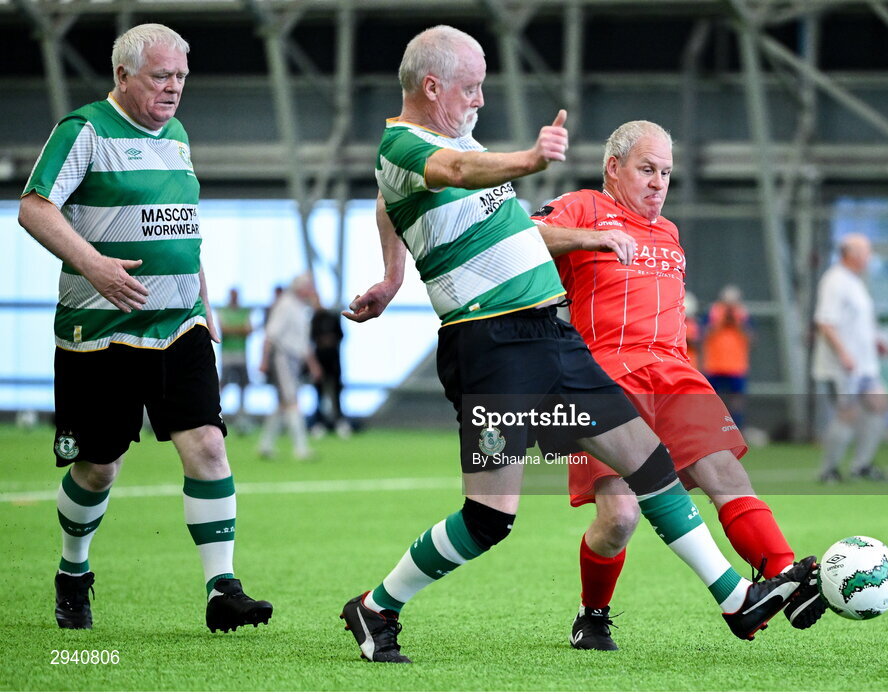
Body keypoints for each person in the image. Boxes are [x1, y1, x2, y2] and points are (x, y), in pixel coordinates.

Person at [339, 26, 815, 664]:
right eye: (472, 87)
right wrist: (529, 161)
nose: (480, 99)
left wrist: (395, 274)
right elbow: (445, 171)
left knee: (648, 464)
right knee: (489, 519)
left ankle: (736, 598)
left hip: (552, 335)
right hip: (489, 342)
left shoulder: (447, 146)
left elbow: (389, 201)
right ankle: (375, 607)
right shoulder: (407, 144)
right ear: (433, 86)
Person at [17, 23, 271, 633]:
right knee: (99, 465)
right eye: (162, 76)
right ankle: (73, 572)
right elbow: (33, 206)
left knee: (208, 444)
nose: (175, 88)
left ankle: (222, 589)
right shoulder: (84, 131)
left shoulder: (178, 137)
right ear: (122, 76)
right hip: (99, 331)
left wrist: (204, 302)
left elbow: (180, 228)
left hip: (179, 326)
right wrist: (94, 265)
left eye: (182, 76)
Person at [531, 121, 823, 652]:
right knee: (619, 518)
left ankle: (788, 577)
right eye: (647, 169)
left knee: (725, 472)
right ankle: (592, 614)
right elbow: (519, 236)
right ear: (612, 168)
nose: (658, 182)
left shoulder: (668, 232)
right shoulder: (582, 206)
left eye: (666, 172)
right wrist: (590, 237)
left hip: (673, 370)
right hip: (603, 374)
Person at [812, 233, 888, 483]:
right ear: (852, 254)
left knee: (878, 403)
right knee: (848, 413)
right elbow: (825, 322)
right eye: (866, 252)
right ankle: (829, 470)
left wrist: (874, 342)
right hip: (843, 366)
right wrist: (844, 353)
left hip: (865, 365)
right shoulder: (835, 280)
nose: (869, 257)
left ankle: (862, 465)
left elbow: (856, 322)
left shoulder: (855, 281)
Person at [258, 273, 322, 460]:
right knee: (292, 400)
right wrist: (264, 360)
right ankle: (300, 448)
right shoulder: (285, 305)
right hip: (283, 358)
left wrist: (313, 364)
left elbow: (303, 342)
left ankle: (265, 445)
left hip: (295, 360)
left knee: (282, 404)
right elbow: (270, 334)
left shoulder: (301, 308)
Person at [703, 285, 753, 431]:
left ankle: (737, 429)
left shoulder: (743, 315)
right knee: (712, 400)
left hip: (736, 366)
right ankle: (711, 429)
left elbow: (751, 338)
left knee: (736, 401)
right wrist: (720, 323)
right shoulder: (713, 313)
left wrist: (737, 324)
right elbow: (704, 335)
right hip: (714, 365)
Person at [308, 292, 352, 438]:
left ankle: (340, 422)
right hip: (319, 361)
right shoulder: (313, 320)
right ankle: (319, 423)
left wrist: (330, 340)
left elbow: (341, 335)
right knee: (319, 393)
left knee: (336, 392)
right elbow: (310, 339)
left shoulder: (332, 317)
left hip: (333, 360)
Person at [218, 287, 254, 431]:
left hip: (241, 355)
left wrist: (234, 329)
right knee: (224, 384)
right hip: (228, 355)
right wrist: (240, 329)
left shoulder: (244, 312)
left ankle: (242, 415)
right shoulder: (223, 311)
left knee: (243, 385)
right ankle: (217, 412)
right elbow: (224, 329)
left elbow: (249, 330)